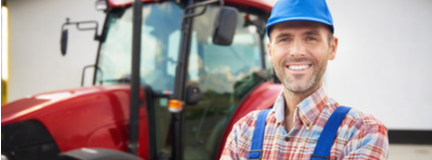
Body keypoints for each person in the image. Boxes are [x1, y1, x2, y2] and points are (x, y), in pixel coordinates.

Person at [220, 0, 389, 159]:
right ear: (270, 51)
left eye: (311, 38)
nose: (297, 51)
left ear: (332, 48)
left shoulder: (362, 132)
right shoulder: (244, 130)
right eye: (284, 39)